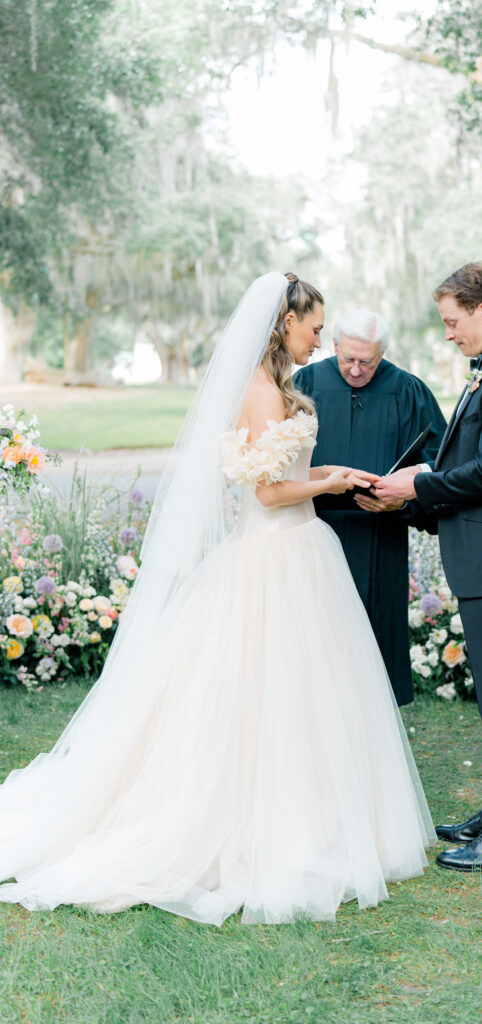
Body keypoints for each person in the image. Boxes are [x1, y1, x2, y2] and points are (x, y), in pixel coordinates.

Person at [0, 272, 435, 925]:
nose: (319, 334)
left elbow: (284, 474)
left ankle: (313, 813)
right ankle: (267, 824)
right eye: (314, 324)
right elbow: (265, 495)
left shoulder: (277, 386)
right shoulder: (261, 393)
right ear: (283, 323)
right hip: (274, 556)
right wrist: (327, 487)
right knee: (263, 694)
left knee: (305, 694)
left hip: (299, 548)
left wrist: (332, 475)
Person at [374, 262, 482, 872]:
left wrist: (418, 486)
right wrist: (412, 498)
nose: (448, 334)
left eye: (453, 321)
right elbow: (472, 463)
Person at [294, 309, 446, 705]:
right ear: (335, 345)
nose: (357, 370)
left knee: (372, 630)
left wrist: (401, 501)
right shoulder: (305, 383)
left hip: (380, 536)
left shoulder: (408, 390)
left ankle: (370, 723)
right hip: (311, 528)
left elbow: (440, 464)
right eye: (349, 359)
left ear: (383, 354)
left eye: (369, 362)